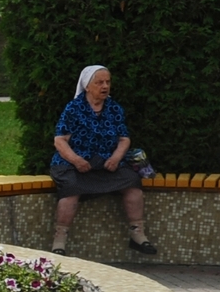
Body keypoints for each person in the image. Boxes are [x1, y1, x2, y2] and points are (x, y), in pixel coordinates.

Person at [48, 65, 156, 256]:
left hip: (107, 163)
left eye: (107, 82)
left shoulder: (114, 108)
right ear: (87, 86)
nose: (105, 86)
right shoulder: (74, 108)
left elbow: (124, 139)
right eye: (100, 82)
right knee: (71, 188)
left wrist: (116, 157)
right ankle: (59, 240)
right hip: (74, 164)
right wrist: (77, 160)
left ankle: (138, 235)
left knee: (132, 182)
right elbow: (60, 141)